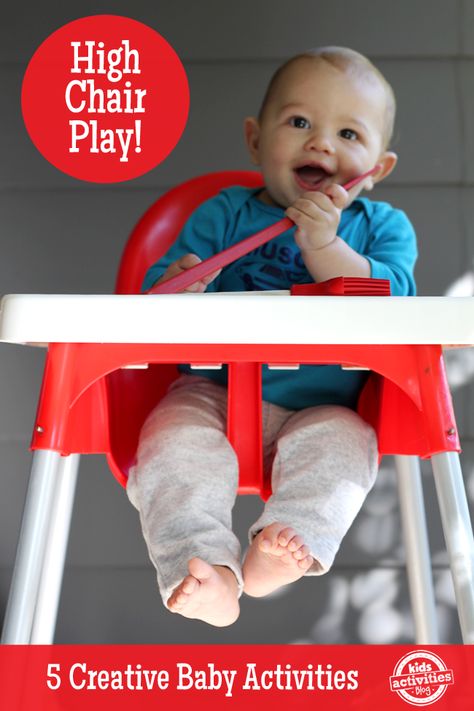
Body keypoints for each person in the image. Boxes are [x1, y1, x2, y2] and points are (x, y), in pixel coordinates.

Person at [127, 46, 417, 627]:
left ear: (376, 169)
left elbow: (395, 302)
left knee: (347, 447)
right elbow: (158, 303)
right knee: (169, 443)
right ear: (257, 140)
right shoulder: (223, 215)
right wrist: (183, 282)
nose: (321, 144)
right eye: (300, 122)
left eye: (348, 133)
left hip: (322, 406)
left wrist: (327, 251)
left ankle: (285, 547)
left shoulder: (381, 227)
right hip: (209, 396)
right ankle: (206, 569)